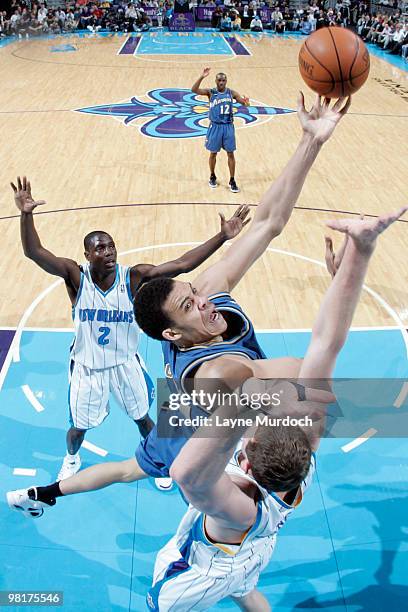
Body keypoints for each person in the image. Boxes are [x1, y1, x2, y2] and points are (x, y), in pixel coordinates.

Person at [6, 94, 350, 517]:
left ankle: (45, 491)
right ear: (173, 332)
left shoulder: (200, 300)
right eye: (192, 304)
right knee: (260, 480)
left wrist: (310, 142)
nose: (206, 302)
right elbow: (309, 372)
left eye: (196, 294)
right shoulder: (222, 372)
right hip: (211, 422)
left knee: (130, 468)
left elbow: (268, 222)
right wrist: (344, 284)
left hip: (185, 408)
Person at [146, 208, 406, 611]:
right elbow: (325, 342)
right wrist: (359, 251)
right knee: (247, 590)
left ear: (245, 461)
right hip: (258, 548)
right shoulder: (303, 439)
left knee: (161, 602)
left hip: (210, 569)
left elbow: (186, 475)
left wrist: (244, 402)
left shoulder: (240, 507)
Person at [10, 177, 250, 485]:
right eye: (99, 248)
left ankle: (159, 463)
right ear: (87, 255)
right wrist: (26, 214)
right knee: (79, 428)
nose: (108, 252)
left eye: (111, 246)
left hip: (126, 364)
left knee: (143, 419)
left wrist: (222, 237)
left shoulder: (133, 278)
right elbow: (35, 253)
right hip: (88, 367)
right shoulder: (75, 277)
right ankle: (71, 457)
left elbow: (181, 264)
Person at [191, 68, 250, 194]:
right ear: (216, 81)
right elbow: (193, 90)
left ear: (226, 81)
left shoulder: (231, 93)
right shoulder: (210, 92)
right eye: (219, 80)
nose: (221, 82)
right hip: (215, 126)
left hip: (228, 127)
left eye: (223, 80)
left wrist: (246, 102)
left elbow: (244, 104)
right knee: (213, 153)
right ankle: (212, 176)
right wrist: (202, 76)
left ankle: (232, 180)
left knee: (231, 154)